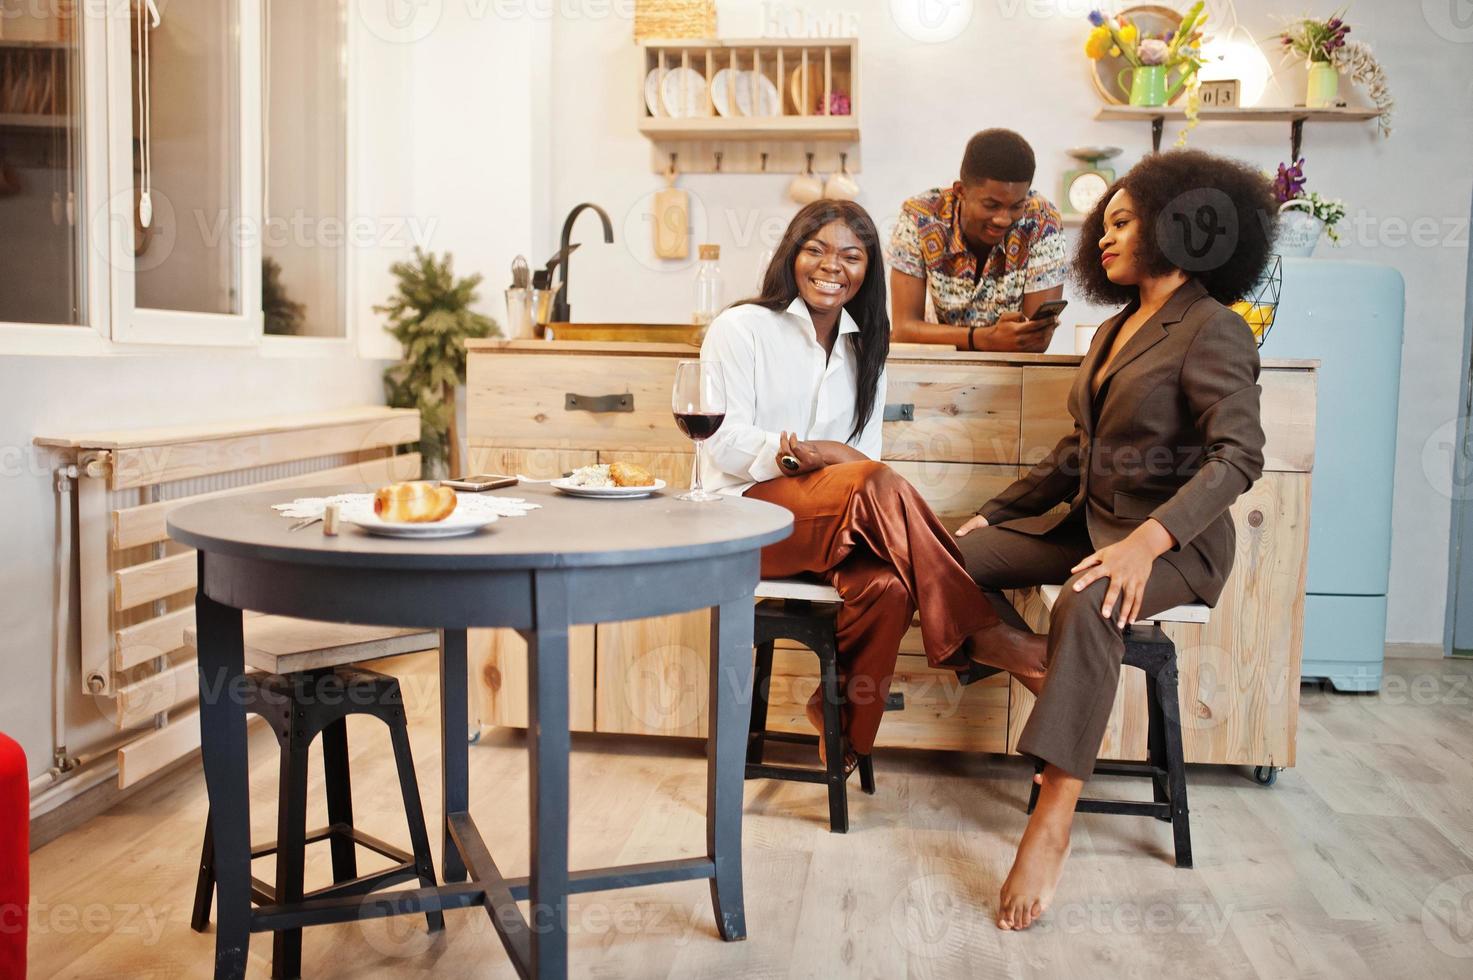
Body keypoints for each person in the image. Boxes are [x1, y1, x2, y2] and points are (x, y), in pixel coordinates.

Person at [954, 149, 1276, 930]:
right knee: (940, 555)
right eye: (1105, 222)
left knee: (1090, 599)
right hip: (1092, 528)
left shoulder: (1212, 327)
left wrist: (1149, 542)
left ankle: (1052, 814)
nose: (1103, 235)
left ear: (1179, 227)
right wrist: (992, 516)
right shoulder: (1111, 329)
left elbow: (1238, 456)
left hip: (1173, 548)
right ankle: (1024, 658)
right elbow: (1077, 453)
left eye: (1124, 221)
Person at [699, 200, 1046, 768]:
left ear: (867, 269)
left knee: (889, 585)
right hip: (744, 518)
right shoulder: (742, 328)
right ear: (791, 254)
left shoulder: (867, 347)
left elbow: (865, 463)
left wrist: (834, 458)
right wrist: (803, 460)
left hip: (834, 522)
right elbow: (721, 441)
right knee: (869, 484)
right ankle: (989, 637)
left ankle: (843, 729)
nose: (831, 265)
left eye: (851, 256)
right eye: (816, 249)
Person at [889, 128, 1067, 352]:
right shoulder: (921, 217)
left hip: (1012, 376)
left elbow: (1032, 341)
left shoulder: (1042, 221)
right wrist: (982, 338)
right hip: (938, 370)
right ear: (960, 191)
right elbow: (904, 329)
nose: (1003, 219)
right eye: (991, 205)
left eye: (1016, 206)